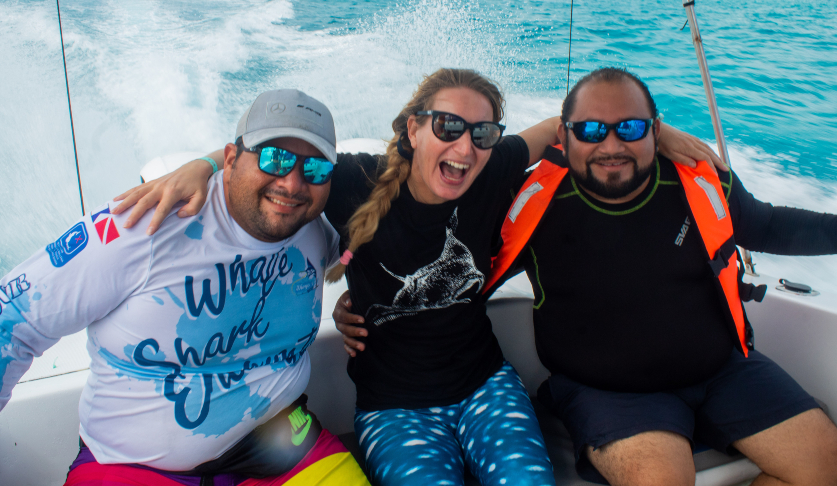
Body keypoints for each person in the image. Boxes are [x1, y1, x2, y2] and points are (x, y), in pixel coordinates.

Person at [112, 68, 718, 486]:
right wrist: (206, 163)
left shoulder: (491, 168)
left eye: (481, 132)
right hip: (393, 406)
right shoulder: (353, 180)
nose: (465, 144)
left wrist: (656, 133)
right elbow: (284, 164)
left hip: (486, 386)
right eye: (448, 126)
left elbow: (566, 128)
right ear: (412, 128)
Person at [0, 89, 369, 486]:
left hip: (285, 448)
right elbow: (9, 321)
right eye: (274, 158)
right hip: (136, 468)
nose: (292, 182)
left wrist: (360, 296)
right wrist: (202, 163)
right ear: (231, 159)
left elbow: (404, 209)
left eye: (315, 169)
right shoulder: (143, 224)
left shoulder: (322, 226)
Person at [475, 67, 837, 485]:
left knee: (826, 467)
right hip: (607, 391)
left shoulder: (698, 180)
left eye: (629, 128)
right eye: (590, 130)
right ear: (563, 133)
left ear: (656, 131)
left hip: (724, 371)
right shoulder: (531, 203)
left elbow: (770, 226)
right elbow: (459, 222)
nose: (611, 145)